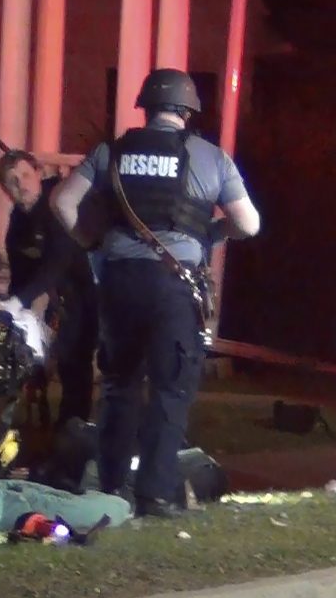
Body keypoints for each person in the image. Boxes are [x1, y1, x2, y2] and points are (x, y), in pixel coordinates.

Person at [51, 68, 260, 517]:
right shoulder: (211, 158)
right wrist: (210, 233)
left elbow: (63, 203)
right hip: (173, 285)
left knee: (119, 384)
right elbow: (249, 224)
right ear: (188, 111)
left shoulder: (111, 152)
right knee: (170, 387)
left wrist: (92, 242)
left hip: (119, 281)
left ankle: (110, 485)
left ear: (146, 108)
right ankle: (156, 493)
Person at [0, 150, 98, 430]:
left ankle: (74, 427)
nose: (21, 186)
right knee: (53, 359)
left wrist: (20, 301)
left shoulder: (57, 203)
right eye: (11, 182)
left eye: (26, 176)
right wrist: (16, 307)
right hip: (58, 295)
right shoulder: (19, 221)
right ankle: (52, 426)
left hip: (89, 289)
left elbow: (59, 261)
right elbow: (21, 270)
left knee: (75, 359)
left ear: (39, 173)